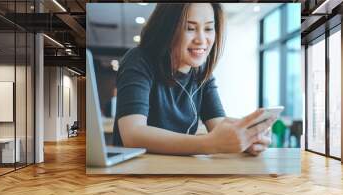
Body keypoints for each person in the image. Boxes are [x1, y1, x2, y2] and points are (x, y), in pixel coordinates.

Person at [112, 3, 276, 156]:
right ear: (166, 28)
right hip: (135, 175)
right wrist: (208, 143)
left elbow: (218, 126)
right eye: (190, 28)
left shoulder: (202, 73)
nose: (202, 40)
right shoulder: (139, 60)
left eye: (209, 28)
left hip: (180, 174)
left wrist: (245, 138)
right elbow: (132, 135)